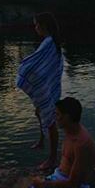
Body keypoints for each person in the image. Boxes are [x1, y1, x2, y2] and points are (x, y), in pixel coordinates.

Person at [7, 97, 95, 188]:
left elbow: (73, 185)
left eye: (57, 114)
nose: (55, 118)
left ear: (67, 117)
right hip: (56, 181)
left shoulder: (81, 144)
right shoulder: (72, 130)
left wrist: (44, 185)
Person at [16, 12, 63, 170]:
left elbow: (38, 64)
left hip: (49, 87)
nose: (35, 28)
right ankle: (42, 141)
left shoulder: (49, 43)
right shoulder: (50, 42)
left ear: (43, 26)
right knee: (39, 113)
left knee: (50, 122)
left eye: (36, 25)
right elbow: (40, 63)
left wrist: (24, 66)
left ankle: (52, 158)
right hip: (49, 86)